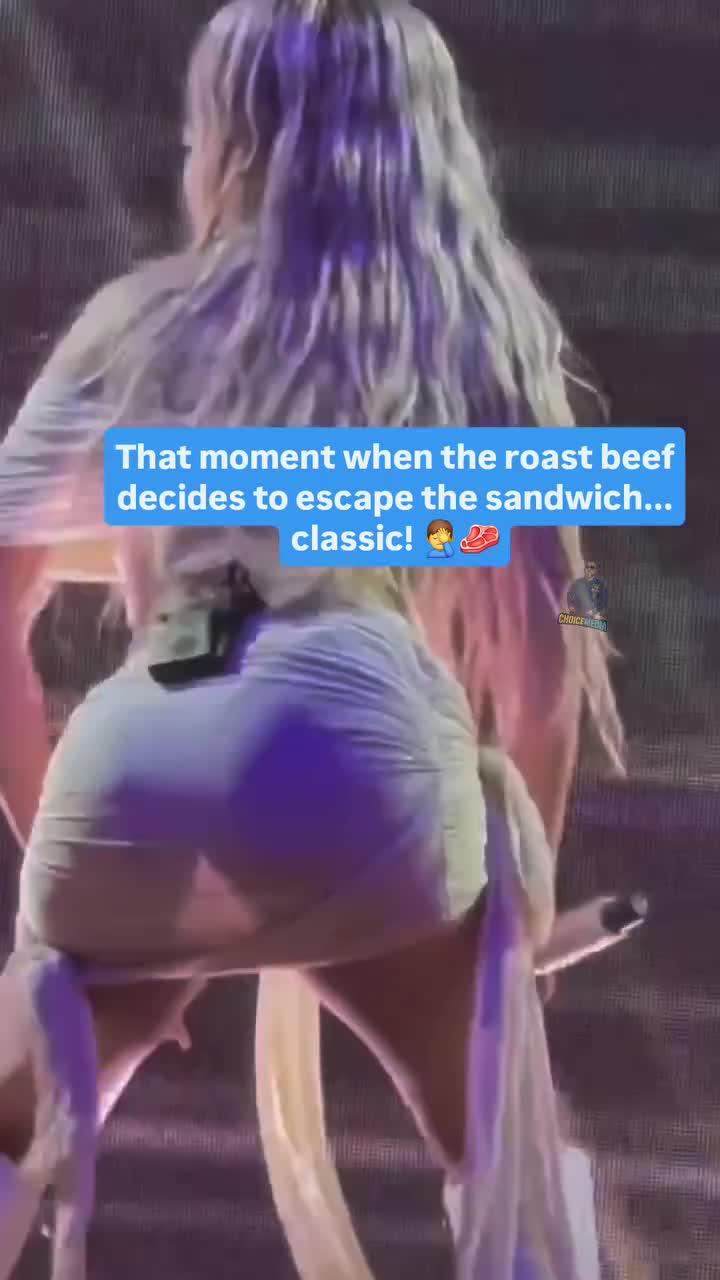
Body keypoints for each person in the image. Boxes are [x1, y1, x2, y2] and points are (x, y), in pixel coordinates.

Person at [0, 1, 626, 1277]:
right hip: (360, 766)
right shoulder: (477, 330)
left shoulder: (135, 323)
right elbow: (558, 649)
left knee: (15, 1118)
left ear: (228, 140)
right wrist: (525, 911)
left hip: (139, 764)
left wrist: (62, 876)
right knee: (501, 1135)